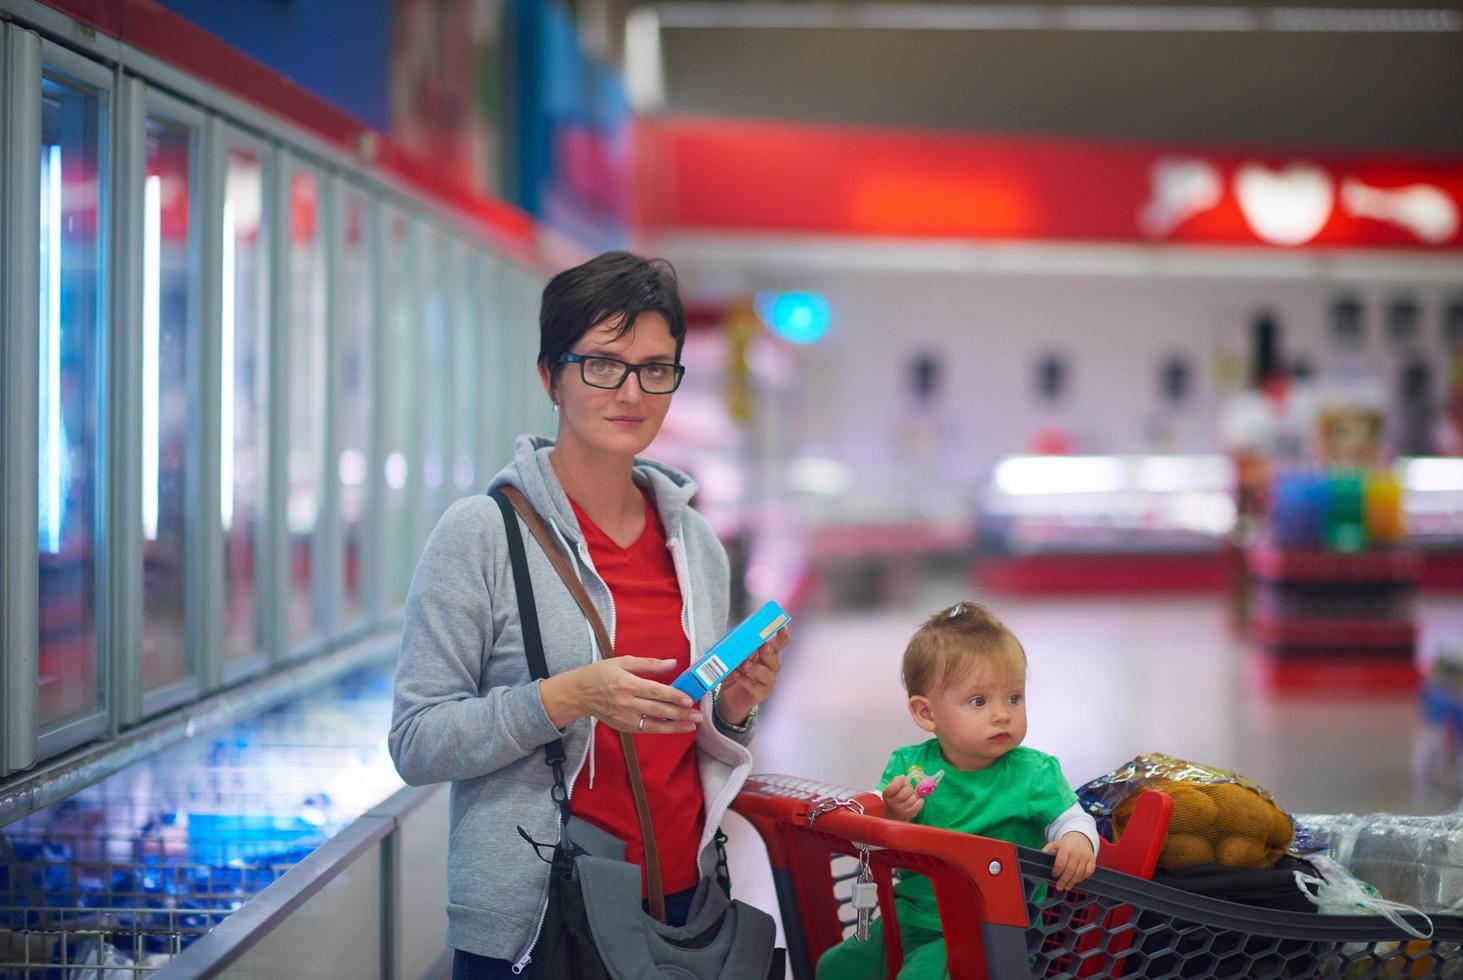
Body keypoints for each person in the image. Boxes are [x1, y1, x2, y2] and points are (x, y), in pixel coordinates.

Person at [388, 251, 790, 979]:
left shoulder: (693, 539)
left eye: (655, 368)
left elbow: (682, 728)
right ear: (551, 375)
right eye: (603, 364)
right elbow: (416, 741)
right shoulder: (481, 533)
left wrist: (731, 709)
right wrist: (566, 698)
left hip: (679, 903)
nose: (630, 391)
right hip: (539, 919)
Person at [816, 600, 1097, 980]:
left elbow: (1071, 818)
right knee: (835, 968)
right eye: (979, 701)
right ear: (926, 713)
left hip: (988, 930)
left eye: (1014, 697)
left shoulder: (1033, 773)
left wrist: (1078, 839)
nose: (1002, 714)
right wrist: (895, 813)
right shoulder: (908, 768)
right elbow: (873, 839)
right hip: (906, 916)